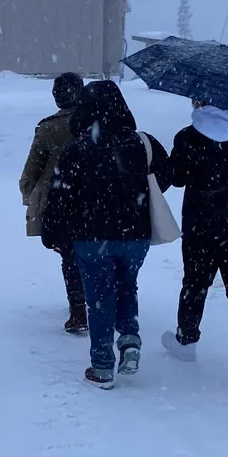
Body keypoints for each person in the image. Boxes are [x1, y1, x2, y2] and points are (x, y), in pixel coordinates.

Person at [43, 81, 170, 389]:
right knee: (127, 285)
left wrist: (53, 230)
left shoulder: (78, 147)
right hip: (135, 236)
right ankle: (129, 339)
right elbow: (166, 178)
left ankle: (102, 367)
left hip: (91, 237)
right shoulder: (143, 142)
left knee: (99, 299)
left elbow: (59, 195)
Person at [162, 101, 228, 388]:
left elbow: (178, 177)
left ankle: (186, 340)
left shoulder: (189, 135)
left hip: (201, 223)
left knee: (195, 282)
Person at [19, 72, 88, 333]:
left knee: (70, 256)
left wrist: (30, 193)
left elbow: (32, 170)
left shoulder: (49, 128)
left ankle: (78, 309)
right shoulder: (100, 122)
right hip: (99, 200)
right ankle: (102, 302)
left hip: (60, 201)